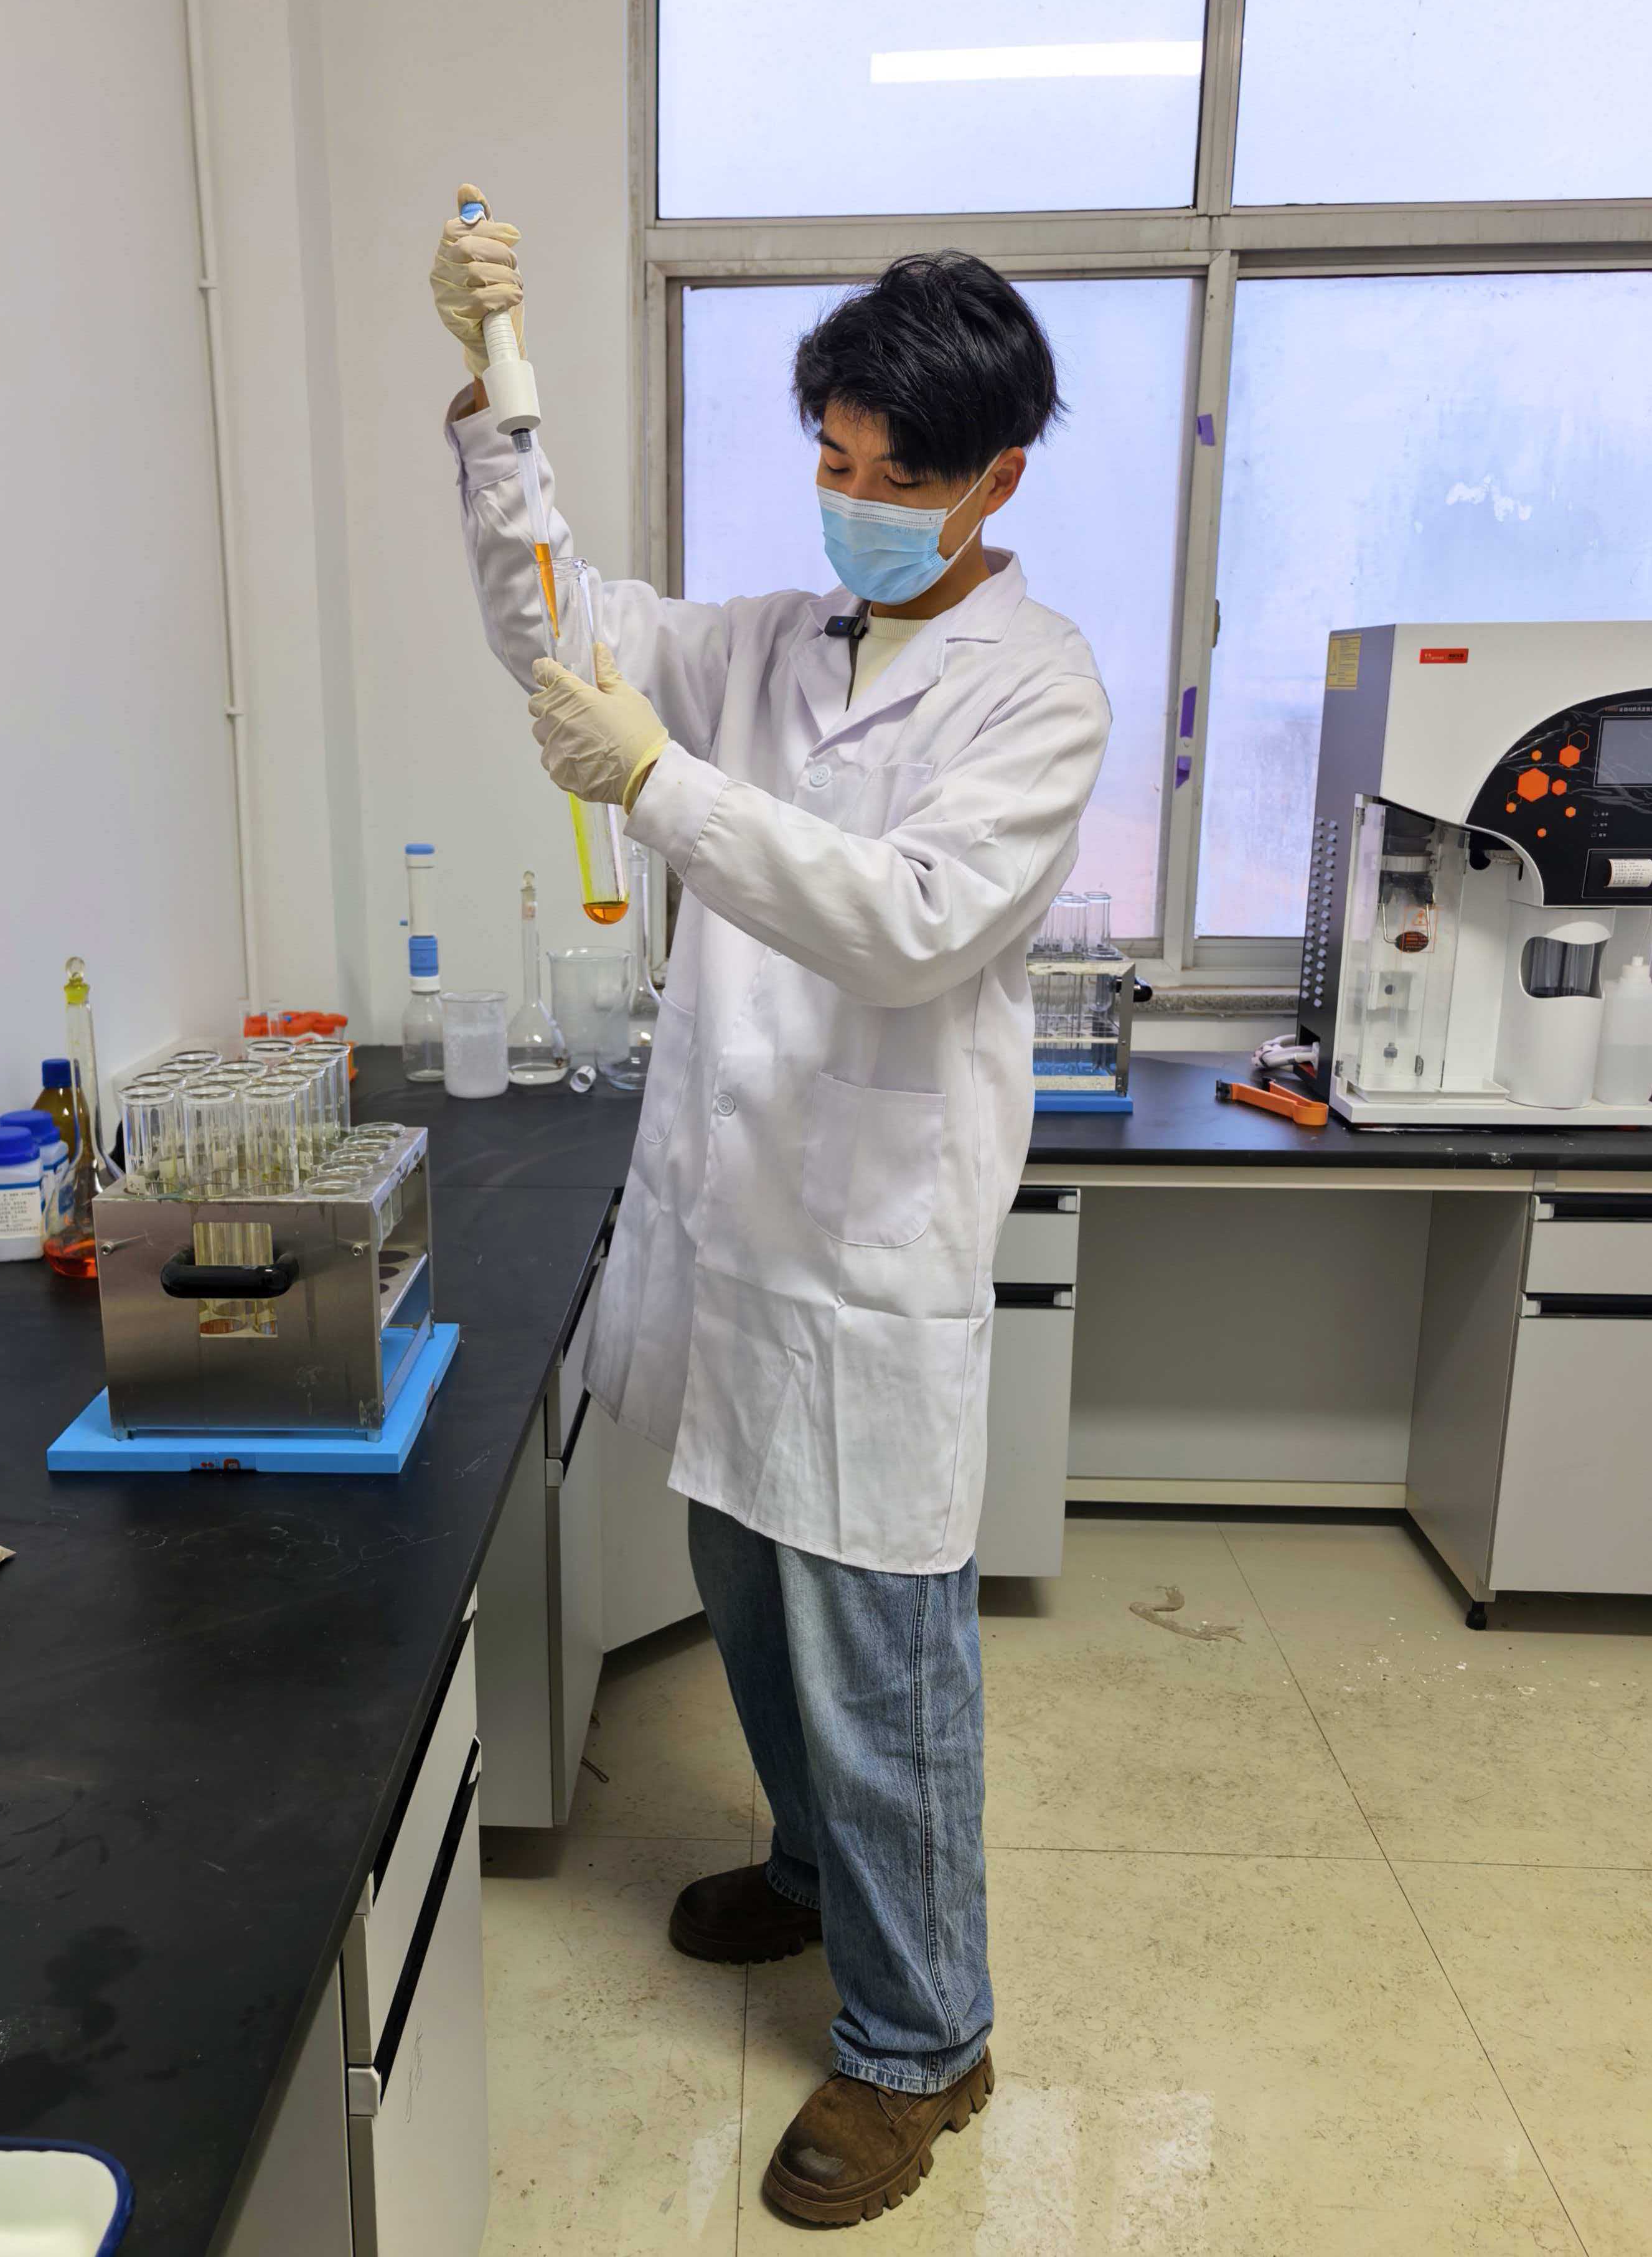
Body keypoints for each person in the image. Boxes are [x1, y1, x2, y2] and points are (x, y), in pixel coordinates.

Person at [433, 186, 1110, 2227]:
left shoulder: (1038, 691)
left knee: (884, 1669)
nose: (851, 501)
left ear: (993, 480)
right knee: (750, 1609)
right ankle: (816, 1876)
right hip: (735, 1241)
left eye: (892, 476)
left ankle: (924, 2044)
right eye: (831, 458)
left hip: (872, 1260)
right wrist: (492, 402)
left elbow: (909, 922)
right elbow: (557, 622)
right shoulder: (769, 644)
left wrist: (658, 784)